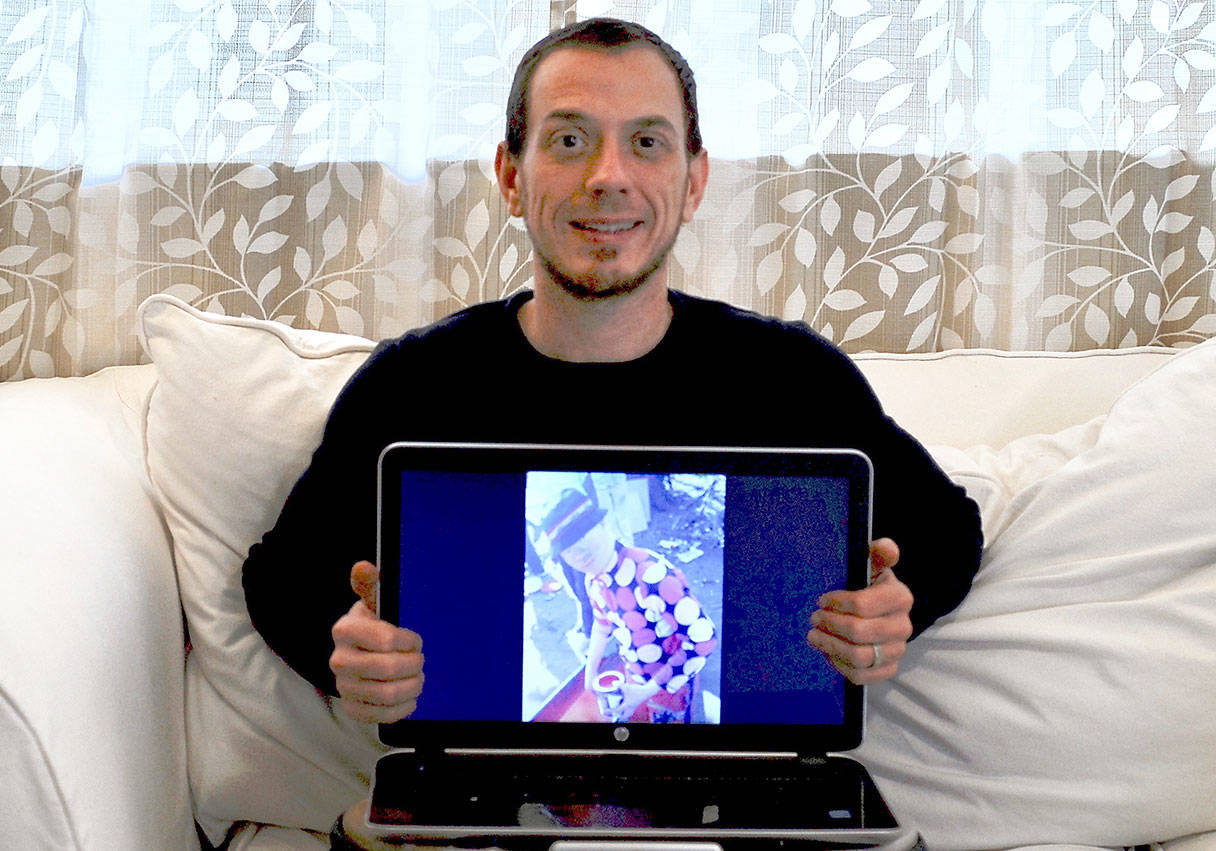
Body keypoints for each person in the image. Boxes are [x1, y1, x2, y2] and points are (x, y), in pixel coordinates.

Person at [239, 17, 983, 848]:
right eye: (568, 140)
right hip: (484, 795)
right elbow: (280, 577)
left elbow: (949, 530)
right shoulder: (415, 381)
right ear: (511, 176)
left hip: (743, 795)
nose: (608, 177)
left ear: (694, 181)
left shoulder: (792, 376)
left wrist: (891, 609)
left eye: (648, 143)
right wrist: (348, 655)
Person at [540, 488, 717, 724]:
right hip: (633, 679)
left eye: (583, 536)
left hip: (673, 685)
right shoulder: (593, 579)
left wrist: (646, 691)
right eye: (569, 550)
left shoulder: (653, 576)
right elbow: (603, 624)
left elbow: (705, 641)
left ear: (603, 525)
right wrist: (589, 676)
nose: (580, 553)